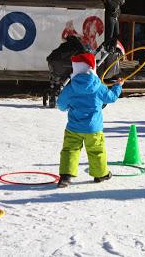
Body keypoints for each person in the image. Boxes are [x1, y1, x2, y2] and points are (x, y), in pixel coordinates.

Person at [56, 52, 125, 188]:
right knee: (96, 151)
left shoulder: (70, 87)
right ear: (92, 68)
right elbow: (111, 98)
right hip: (93, 128)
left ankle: (65, 176)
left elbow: (61, 104)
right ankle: (100, 174)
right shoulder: (98, 86)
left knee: (70, 150)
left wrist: (67, 107)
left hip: (73, 127)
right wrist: (118, 86)